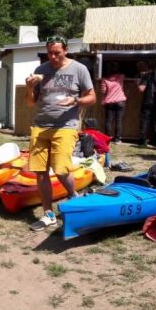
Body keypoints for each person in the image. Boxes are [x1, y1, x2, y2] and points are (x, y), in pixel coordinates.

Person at [25, 35, 96, 231]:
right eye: (50, 53)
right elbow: (31, 102)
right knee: (40, 172)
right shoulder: (41, 71)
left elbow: (92, 97)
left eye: (57, 52)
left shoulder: (78, 69)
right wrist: (30, 87)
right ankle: (48, 214)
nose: (53, 57)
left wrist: (76, 101)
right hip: (41, 126)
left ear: (65, 50)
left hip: (66, 125)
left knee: (61, 168)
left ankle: (74, 196)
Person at [100, 62, 127, 143]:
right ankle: (117, 139)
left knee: (109, 121)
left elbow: (103, 91)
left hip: (109, 102)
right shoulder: (121, 77)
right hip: (120, 101)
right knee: (118, 121)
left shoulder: (104, 80)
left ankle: (107, 138)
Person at [137, 61, 156, 146]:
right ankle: (155, 139)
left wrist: (137, 82)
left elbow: (141, 89)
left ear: (147, 67)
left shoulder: (147, 76)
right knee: (155, 120)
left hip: (147, 101)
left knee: (145, 120)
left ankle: (142, 139)